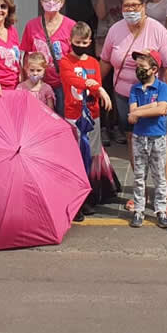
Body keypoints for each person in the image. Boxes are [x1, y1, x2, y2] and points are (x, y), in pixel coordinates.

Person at [100, 0, 167, 149]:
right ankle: (138, 174)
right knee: (131, 138)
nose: (130, 9)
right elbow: (105, 61)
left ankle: (160, 175)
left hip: (152, 96)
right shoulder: (115, 30)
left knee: (158, 142)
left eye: (134, 6)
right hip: (124, 96)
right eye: (126, 6)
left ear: (143, 6)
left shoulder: (159, 31)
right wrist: (96, 86)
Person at [59, 23, 115, 220]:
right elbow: (73, 81)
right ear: (70, 41)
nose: (81, 45)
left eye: (84, 42)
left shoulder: (93, 62)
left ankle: (89, 195)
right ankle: (76, 199)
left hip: (93, 115)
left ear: (90, 42)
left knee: (91, 157)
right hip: (74, 115)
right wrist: (97, 88)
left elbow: (96, 82)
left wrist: (96, 88)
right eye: (77, 42)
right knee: (76, 158)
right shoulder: (65, 61)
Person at [127, 49, 167, 229]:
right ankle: (139, 209)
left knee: (159, 175)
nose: (139, 70)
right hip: (139, 137)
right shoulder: (134, 88)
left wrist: (140, 111)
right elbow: (131, 115)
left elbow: (162, 110)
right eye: (137, 66)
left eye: (142, 67)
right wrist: (151, 106)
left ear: (154, 69)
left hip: (158, 137)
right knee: (139, 175)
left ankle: (160, 209)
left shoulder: (162, 87)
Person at [20, 0, 76, 117]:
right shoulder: (31, 25)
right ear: (41, 0)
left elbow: (75, 58)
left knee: (63, 119)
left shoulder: (71, 26)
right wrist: (24, 81)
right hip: (37, 85)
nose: (51, 2)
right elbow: (26, 56)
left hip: (62, 84)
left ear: (62, 1)